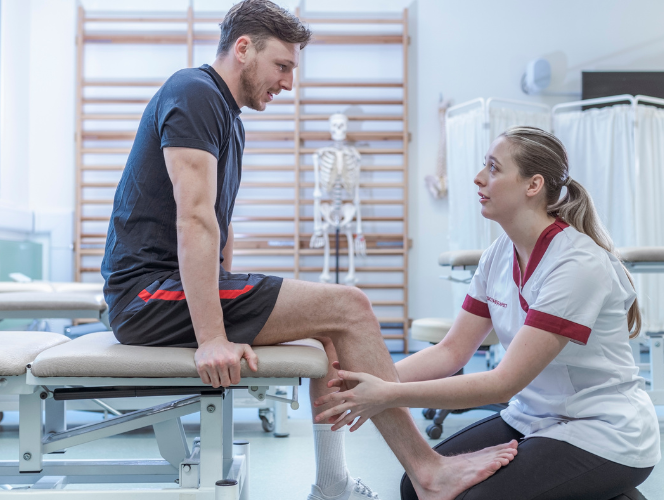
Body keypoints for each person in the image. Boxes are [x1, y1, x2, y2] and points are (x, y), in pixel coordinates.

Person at [101, 1, 518, 499]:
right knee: (350, 306)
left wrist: (230, 304)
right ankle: (429, 472)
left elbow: (219, 225)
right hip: (144, 296)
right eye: (282, 66)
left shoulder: (227, 117)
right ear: (242, 49)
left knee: (329, 334)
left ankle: (333, 484)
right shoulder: (194, 93)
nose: (288, 83)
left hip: (173, 290)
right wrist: (212, 336)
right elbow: (194, 217)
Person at [314, 126, 661, 500]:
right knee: (416, 488)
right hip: (534, 418)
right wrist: (370, 383)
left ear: (533, 185)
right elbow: (451, 352)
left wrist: (386, 394)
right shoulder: (499, 254)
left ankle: (611, 488)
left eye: (493, 168)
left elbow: (503, 383)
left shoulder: (577, 265)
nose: (479, 178)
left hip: (605, 431)